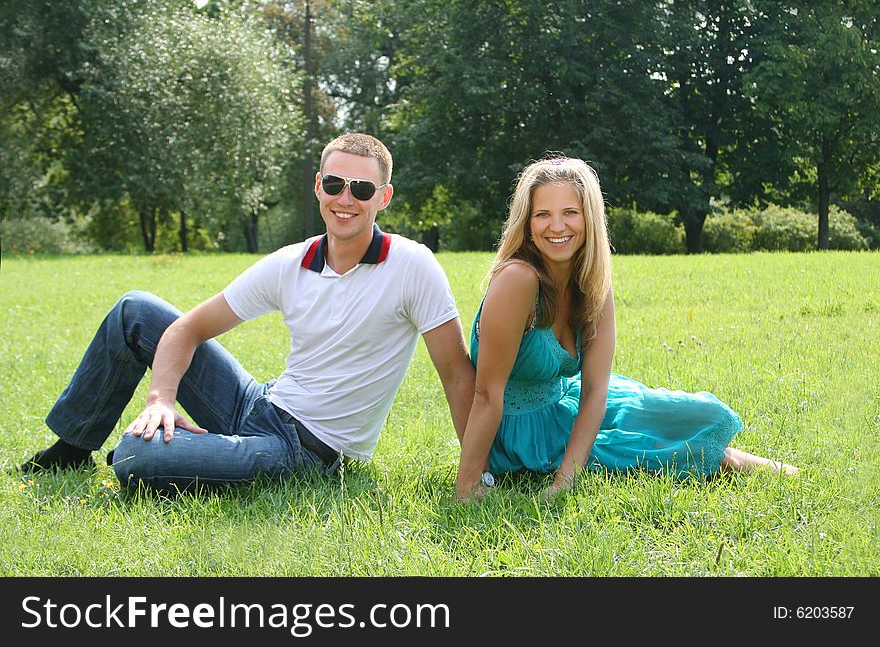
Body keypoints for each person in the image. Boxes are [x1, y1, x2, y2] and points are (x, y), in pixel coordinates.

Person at [20, 133, 475, 492]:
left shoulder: (412, 265)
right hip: (260, 402)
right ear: (319, 187)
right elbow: (187, 328)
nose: (346, 199)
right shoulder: (291, 262)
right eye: (335, 184)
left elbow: (456, 374)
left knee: (134, 458)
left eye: (361, 188)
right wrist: (160, 399)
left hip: (304, 451)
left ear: (384, 197)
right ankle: (71, 449)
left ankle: (201, 451)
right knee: (135, 310)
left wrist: (478, 471)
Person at [454, 156, 798, 501]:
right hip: (521, 433)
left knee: (693, 413)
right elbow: (485, 394)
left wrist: (566, 480)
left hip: (569, 402)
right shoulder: (518, 279)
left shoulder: (591, 281)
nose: (557, 226)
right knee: (657, 451)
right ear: (527, 224)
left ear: (589, 218)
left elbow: (595, 391)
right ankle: (760, 469)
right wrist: (468, 483)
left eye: (570, 213)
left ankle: (777, 470)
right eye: (543, 214)